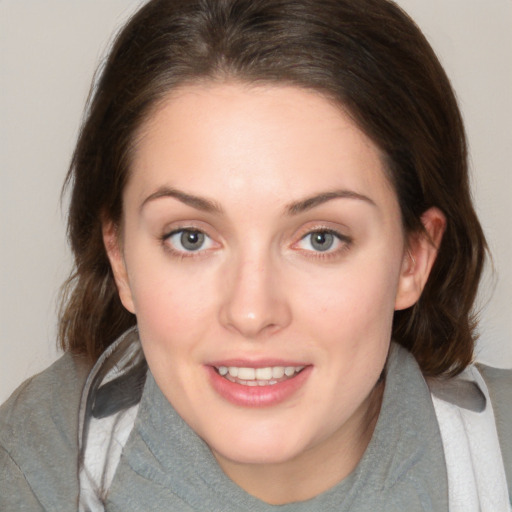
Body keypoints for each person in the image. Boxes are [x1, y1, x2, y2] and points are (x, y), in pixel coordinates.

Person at [1, 0, 510, 510]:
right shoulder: (36, 461)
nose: (251, 312)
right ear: (120, 258)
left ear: (413, 259)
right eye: (191, 238)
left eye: (321, 239)